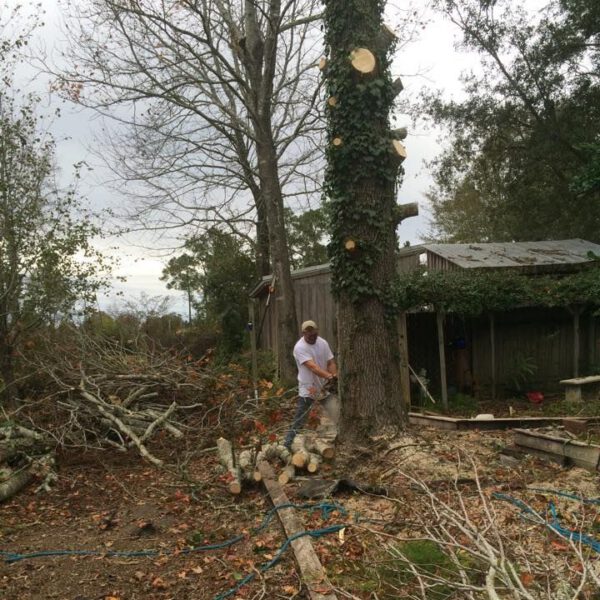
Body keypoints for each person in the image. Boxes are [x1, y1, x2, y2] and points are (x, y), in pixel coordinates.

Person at [284, 320, 337, 449]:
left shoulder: (323, 343)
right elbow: (312, 367)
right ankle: (287, 444)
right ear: (304, 333)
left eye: (313, 333)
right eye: (309, 333)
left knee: (336, 411)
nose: (312, 335)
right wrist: (329, 376)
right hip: (309, 387)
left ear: (317, 331)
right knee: (301, 417)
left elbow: (330, 362)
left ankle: (343, 437)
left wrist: (335, 375)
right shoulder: (299, 347)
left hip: (324, 386)